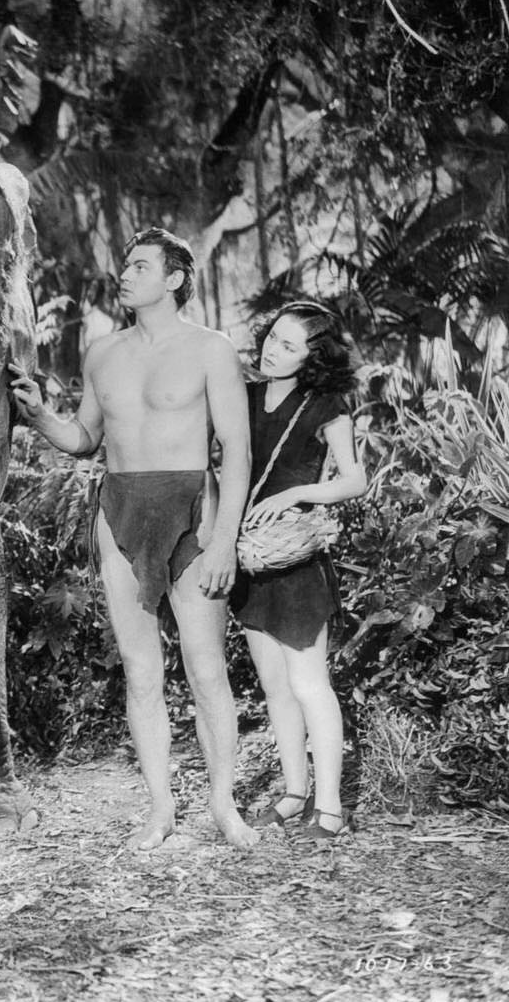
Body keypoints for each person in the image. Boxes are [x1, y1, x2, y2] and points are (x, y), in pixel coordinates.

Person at [9, 227, 259, 851]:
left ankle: (224, 806)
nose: (126, 274)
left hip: (191, 511)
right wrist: (41, 414)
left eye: (141, 266)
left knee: (205, 670)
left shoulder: (212, 349)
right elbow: (83, 439)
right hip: (119, 509)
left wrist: (224, 539)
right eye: (126, 265)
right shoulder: (102, 353)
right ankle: (159, 810)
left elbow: (238, 450)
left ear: (174, 279)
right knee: (140, 670)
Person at [234, 302, 367, 839]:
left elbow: (354, 481)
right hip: (250, 558)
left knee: (310, 685)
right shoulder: (241, 397)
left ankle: (329, 809)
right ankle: (294, 793)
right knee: (274, 687)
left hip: (295, 562)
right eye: (272, 337)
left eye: (290, 346)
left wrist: (296, 492)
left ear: (314, 357)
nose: (273, 349)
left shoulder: (326, 405)